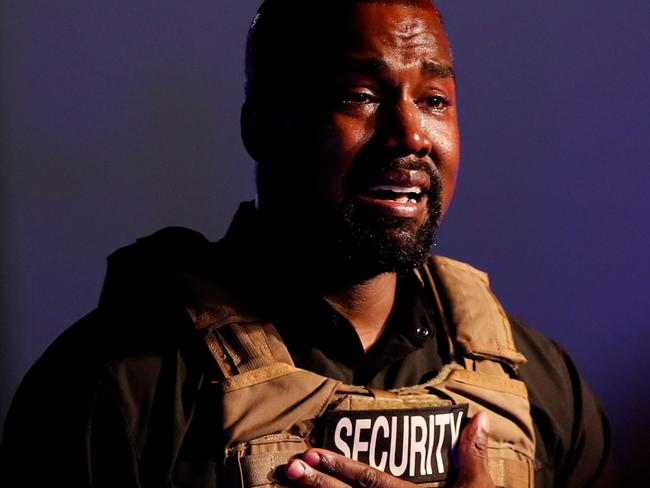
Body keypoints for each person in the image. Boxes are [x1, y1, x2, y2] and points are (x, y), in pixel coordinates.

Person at [0, 1, 614, 487]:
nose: (409, 136)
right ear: (262, 125)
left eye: (433, 100)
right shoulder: (119, 387)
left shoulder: (539, 385)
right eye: (361, 97)